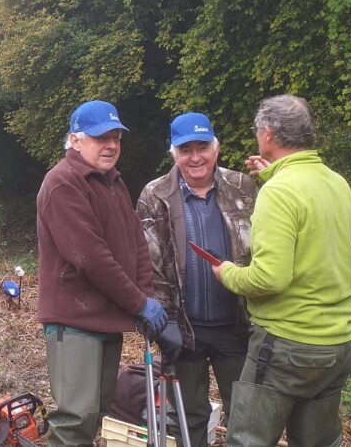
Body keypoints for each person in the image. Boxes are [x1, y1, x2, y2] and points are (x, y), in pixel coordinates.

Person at [213, 95, 351, 446]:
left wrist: (228, 273)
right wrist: (272, 173)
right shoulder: (336, 183)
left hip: (289, 345)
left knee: (247, 440)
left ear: (267, 134)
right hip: (339, 344)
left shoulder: (279, 192)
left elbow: (269, 278)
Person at [36, 100, 166, 446]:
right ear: (75, 141)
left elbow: (136, 242)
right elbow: (91, 258)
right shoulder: (63, 184)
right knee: (75, 418)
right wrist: (138, 303)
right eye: (100, 138)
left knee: (99, 411)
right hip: (74, 319)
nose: (111, 145)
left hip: (106, 318)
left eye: (116, 138)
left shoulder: (113, 182)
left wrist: (146, 297)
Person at [136, 113, 257, 446]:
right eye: (185, 149)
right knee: (188, 418)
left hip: (237, 326)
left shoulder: (243, 188)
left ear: (215, 148)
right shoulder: (155, 194)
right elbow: (148, 265)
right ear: (174, 154)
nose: (195, 157)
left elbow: (264, 252)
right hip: (184, 331)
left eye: (202, 146)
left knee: (246, 416)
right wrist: (165, 322)